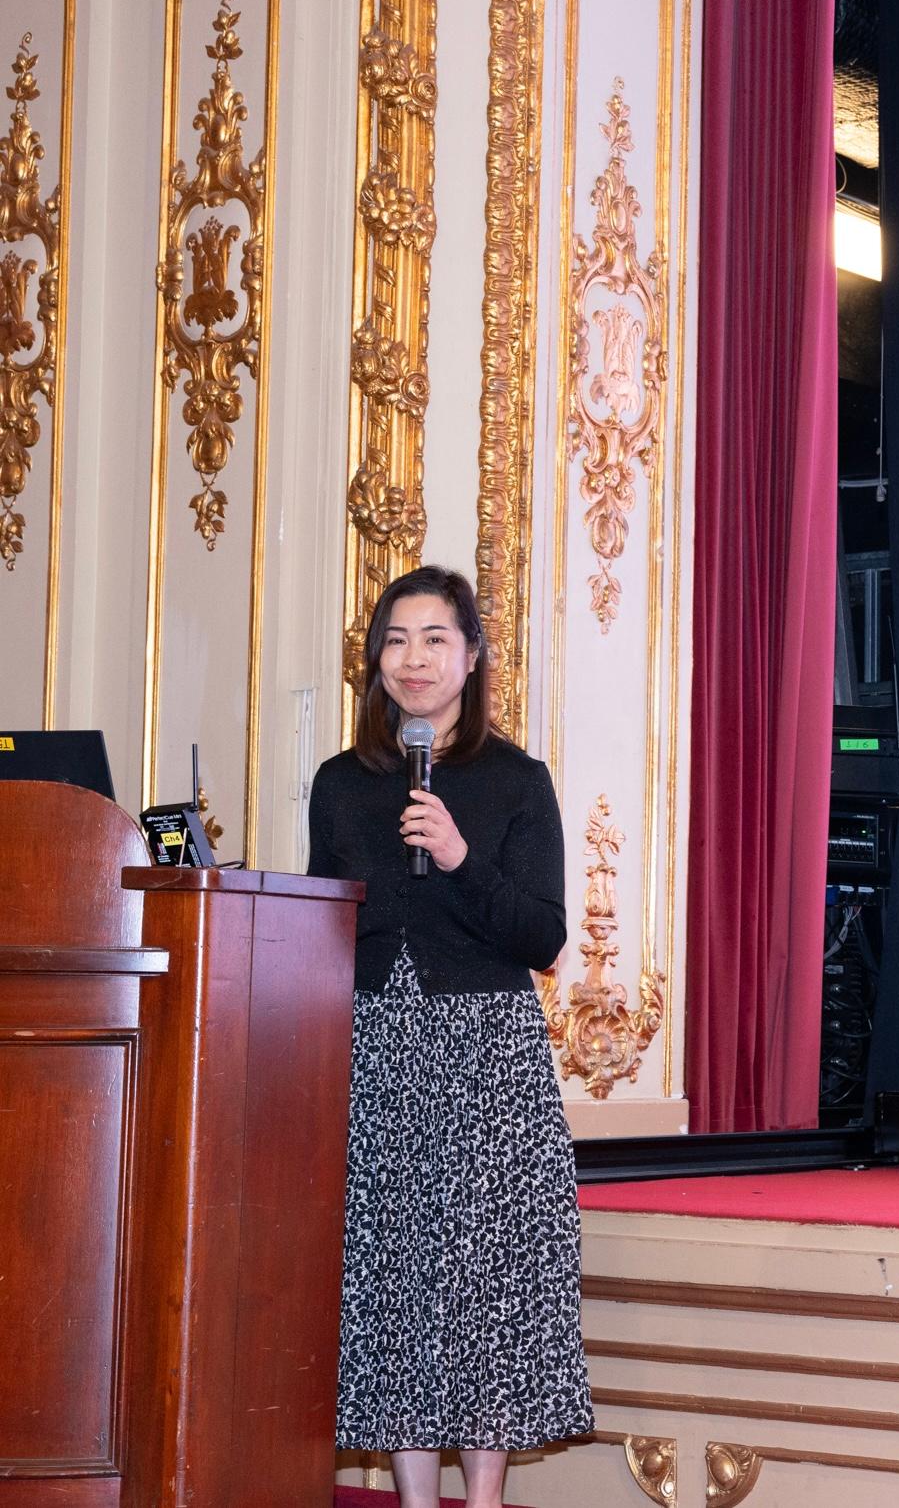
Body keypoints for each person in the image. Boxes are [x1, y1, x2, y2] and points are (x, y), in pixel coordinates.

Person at [308, 564, 593, 1506]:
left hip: (483, 1059)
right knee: (397, 1285)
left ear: (470, 656)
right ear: (375, 662)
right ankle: (415, 1497)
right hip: (377, 1057)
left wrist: (462, 857)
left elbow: (542, 936)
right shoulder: (341, 785)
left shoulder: (514, 781)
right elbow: (323, 922)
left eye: (435, 638)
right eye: (395, 639)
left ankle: (484, 1497)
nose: (414, 658)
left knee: (480, 1283)